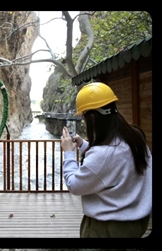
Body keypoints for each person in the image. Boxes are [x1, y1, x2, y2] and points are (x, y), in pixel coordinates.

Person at [61, 82, 152, 237]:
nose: (83, 121)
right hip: (137, 222)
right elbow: (111, 161)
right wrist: (84, 145)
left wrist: (68, 153)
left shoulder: (103, 154)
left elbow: (74, 185)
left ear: (92, 119)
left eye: (83, 117)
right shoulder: (135, 136)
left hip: (108, 227)